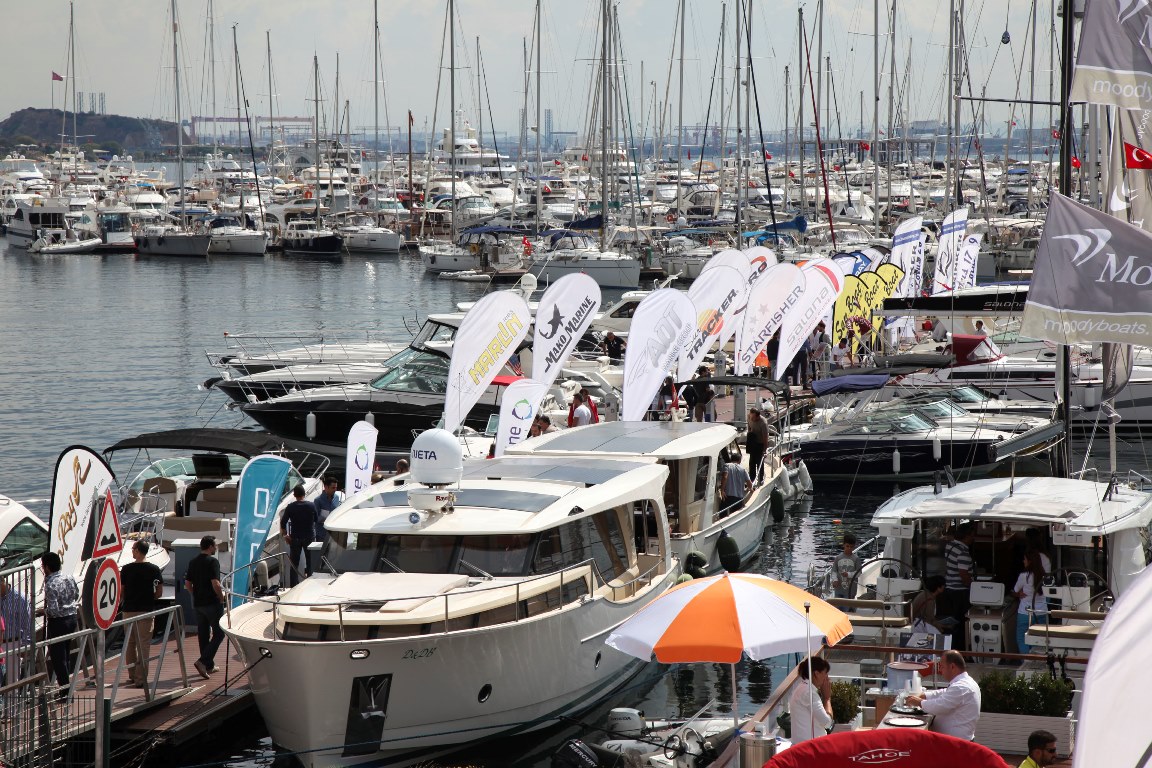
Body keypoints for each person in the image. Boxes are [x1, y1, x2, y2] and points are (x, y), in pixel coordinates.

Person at [906, 650, 981, 741]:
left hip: (955, 744)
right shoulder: (965, 682)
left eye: (942, 667)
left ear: (952, 667)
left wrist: (919, 702)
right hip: (954, 740)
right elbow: (945, 692)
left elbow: (940, 705)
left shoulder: (961, 687)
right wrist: (924, 695)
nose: (940, 670)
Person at [120, 540, 163, 688]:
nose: (132, 551)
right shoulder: (154, 569)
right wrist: (151, 597)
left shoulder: (126, 569)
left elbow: (122, 591)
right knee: (143, 645)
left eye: (133, 549)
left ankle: (132, 675)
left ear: (138, 550)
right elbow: (159, 592)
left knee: (130, 644)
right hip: (146, 610)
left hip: (128, 610)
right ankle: (140, 678)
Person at [184, 535, 226, 679]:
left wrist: (195, 594)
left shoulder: (193, 562)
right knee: (219, 634)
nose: (216, 548)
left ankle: (208, 666)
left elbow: (188, 584)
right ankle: (203, 661)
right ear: (210, 547)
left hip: (198, 604)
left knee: (203, 635)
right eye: (215, 546)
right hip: (212, 603)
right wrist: (222, 598)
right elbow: (216, 583)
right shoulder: (213, 561)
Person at [42, 551, 79, 687]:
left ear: (46, 567)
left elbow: (53, 610)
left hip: (58, 623)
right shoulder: (69, 577)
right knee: (66, 654)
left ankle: (65, 690)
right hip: (72, 618)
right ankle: (67, 685)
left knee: (58, 658)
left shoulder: (51, 584)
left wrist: (42, 611)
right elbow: (76, 594)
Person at [943, 522, 976, 651]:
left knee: (954, 621)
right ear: (966, 536)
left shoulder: (950, 545)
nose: (973, 538)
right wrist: (974, 588)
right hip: (960, 592)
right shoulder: (963, 553)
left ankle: (952, 646)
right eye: (972, 536)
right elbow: (964, 575)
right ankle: (960, 648)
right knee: (961, 623)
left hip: (949, 588)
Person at [788, 656, 833, 744]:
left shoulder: (803, 688)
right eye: (825, 673)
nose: (827, 678)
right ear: (816, 673)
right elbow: (827, 723)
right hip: (810, 747)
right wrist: (827, 698)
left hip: (804, 744)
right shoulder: (809, 693)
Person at [281, 485, 318, 586]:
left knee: (294, 564)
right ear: (304, 494)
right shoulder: (311, 505)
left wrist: (286, 535)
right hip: (309, 537)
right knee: (310, 563)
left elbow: (283, 522)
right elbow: (316, 519)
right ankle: (311, 585)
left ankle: (294, 586)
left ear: (294, 495)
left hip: (295, 538)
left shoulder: (290, 507)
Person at [1013, 549, 1048, 655]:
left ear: (1030, 561)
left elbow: (1015, 590)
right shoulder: (1045, 576)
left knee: (1022, 639)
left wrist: (1018, 594)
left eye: (1025, 559)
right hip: (1042, 612)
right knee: (1039, 640)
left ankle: (1026, 662)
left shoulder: (1024, 576)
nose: (1023, 561)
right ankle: (1038, 662)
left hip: (1025, 613)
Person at [1, 579, 32, 684]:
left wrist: (25, 645)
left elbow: (27, 624)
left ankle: (11, 700)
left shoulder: (20, 599)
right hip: (1, 642)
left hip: (12, 642)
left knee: (12, 680)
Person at [313, 475, 345, 543]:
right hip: (322, 534)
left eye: (336, 488)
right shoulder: (317, 500)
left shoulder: (337, 497)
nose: (335, 490)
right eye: (333, 488)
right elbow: (314, 518)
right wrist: (324, 518)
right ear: (326, 487)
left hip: (334, 533)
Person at [831, 534, 862, 599]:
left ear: (854, 547)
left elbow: (859, 573)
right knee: (838, 605)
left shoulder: (856, 559)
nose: (849, 548)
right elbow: (834, 571)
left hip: (851, 590)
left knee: (848, 606)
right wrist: (835, 580)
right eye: (847, 546)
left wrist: (848, 574)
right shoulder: (838, 558)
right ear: (843, 545)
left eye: (851, 547)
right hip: (838, 589)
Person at [745, 407, 769, 484]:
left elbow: (765, 438)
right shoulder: (749, 417)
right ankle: (752, 479)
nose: (751, 418)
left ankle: (760, 479)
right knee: (751, 462)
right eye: (750, 416)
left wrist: (764, 450)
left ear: (757, 416)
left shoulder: (763, 423)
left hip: (760, 443)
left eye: (753, 417)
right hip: (752, 442)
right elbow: (749, 425)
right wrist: (750, 433)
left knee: (759, 462)